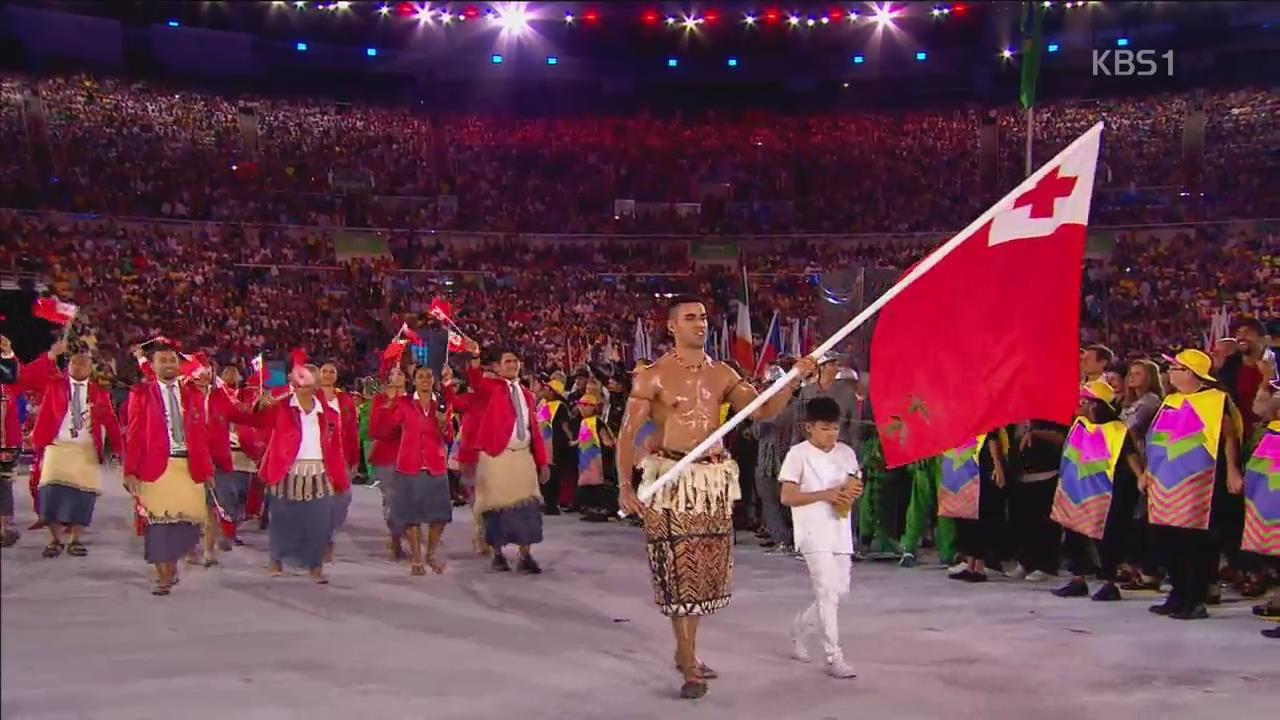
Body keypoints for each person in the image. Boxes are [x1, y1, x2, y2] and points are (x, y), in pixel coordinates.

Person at [616, 294, 817, 700]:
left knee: (702, 577)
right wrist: (624, 485)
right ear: (671, 326)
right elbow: (626, 433)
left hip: (710, 484)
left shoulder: (722, 373)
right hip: (671, 484)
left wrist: (793, 378)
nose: (700, 324)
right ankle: (689, 664)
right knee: (677, 577)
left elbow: (760, 410)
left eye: (704, 318)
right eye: (690, 318)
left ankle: (686, 649)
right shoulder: (651, 377)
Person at [1144, 349, 1244, 620]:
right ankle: (1177, 593)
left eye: (1175, 368)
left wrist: (1232, 470)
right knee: (1167, 539)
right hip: (1165, 482)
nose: (1169, 373)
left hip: (1200, 481)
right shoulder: (1171, 400)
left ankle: (1195, 598)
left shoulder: (1215, 400)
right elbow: (1159, 441)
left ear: (1190, 373)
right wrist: (1147, 472)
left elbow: (1230, 436)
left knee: (1194, 541)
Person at [779, 397, 864, 679]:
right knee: (827, 592)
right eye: (825, 428)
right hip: (812, 532)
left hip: (840, 529)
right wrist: (824, 495)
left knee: (839, 592)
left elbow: (855, 482)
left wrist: (852, 492)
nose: (832, 435)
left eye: (836, 429)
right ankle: (833, 656)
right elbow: (787, 496)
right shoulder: (797, 455)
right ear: (809, 428)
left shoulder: (847, 453)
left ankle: (800, 627)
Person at [123, 343, 216, 596]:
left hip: (189, 466)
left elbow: (201, 436)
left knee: (184, 524)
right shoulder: (141, 394)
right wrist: (129, 471)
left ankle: (172, 565)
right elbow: (133, 435)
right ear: (152, 366)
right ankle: (162, 576)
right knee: (158, 524)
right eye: (162, 360)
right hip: (155, 468)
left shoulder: (194, 395)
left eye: (172, 360)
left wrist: (208, 471)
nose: (169, 364)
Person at [246, 364, 350, 584]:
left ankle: (315, 565)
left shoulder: (329, 414)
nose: (305, 388)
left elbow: (335, 447)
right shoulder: (280, 407)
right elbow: (256, 421)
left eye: (310, 384)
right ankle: (276, 559)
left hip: (318, 471)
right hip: (287, 470)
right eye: (300, 383)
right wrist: (259, 405)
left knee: (319, 522)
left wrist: (340, 478)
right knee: (282, 519)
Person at [25, 339, 123, 559]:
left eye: (83, 364)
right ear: (68, 366)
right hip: (56, 446)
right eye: (74, 364)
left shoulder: (99, 393)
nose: (78, 367)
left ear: (90, 369)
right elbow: (29, 378)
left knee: (83, 495)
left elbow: (111, 421)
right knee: (49, 492)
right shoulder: (54, 385)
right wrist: (51, 354)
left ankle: (75, 539)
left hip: (85, 448)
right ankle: (54, 540)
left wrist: (119, 448)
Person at [460, 341, 550, 574]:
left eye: (514, 361)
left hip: (523, 456)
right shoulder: (491, 388)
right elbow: (475, 380)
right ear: (498, 368)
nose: (512, 365)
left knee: (528, 507)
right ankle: (497, 554)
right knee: (495, 507)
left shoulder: (528, 395)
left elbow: (534, 430)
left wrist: (542, 461)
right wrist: (475, 358)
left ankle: (525, 554)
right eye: (507, 361)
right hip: (496, 456)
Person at [1050, 381, 1145, 601]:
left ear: (1094, 404)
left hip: (1108, 490)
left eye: (1082, 400)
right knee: (1073, 533)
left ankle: (1109, 582)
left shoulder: (1117, 430)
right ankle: (1078, 579)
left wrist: (1141, 477)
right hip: (1076, 490)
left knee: (1108, 536)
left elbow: (1130, 456)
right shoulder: (1079, 425)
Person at [370, 365, 453, 576]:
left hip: (435, 465)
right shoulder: (404, 403)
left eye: (429, 376)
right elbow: (384, 431)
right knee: (411, 516)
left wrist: (444, 425)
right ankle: (416, 558)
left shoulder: (441, 405)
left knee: (440, 516)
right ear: (413, 381)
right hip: (409, 465)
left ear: (434, 380)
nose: (425, 380)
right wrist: (387, 406)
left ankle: (431, 553)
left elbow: (449, 437)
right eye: (421, 376)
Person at [943, 430, 1009, 583]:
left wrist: (997, 466)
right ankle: (970, 565)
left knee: (981, 516)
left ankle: (979, 567)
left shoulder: (985, 414)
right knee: (966, 518)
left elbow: (992, 438)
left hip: (982, 468)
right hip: (965, 467)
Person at [1008, 417, 1068, 582]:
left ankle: (1046, 565)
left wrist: (1036, 434)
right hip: (1020, 474)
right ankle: (1025, 561)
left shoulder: (1050, 412)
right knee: (1022, 522)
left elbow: (1062, 437)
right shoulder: (1016, 414)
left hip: (1046, 473)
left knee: (1044, 524)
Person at [317, 362, 359, 562]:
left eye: (331, 371)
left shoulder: (345, 400)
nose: (327, 374)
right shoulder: (312, 397)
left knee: (342, 498)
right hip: (316, 455)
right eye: (324, 371)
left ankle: (329, 533)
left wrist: (353, 458)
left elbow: (351, 430)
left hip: (340, 455)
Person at [368, 365, 407, 559]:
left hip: (410, 457)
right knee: (391, 500)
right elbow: (375, 430)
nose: (396, 376)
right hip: (385, 457)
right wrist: (391, 408)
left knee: (409, 501)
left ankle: (402, 534)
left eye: (399, 373)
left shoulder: (413, 400)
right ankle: (395, 537)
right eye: (393, 373)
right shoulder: (379, 401)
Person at [574, 394, 615, 522]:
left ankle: (601, 511)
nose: (581, 407)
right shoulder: (584, 422)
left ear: (593, 407)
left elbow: (607, 440)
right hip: (585, 460)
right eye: (580, 405)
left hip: (596, 459)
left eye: (585, 405)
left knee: (596, 487)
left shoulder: (596, 421)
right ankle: (592, 510)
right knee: (586, 488)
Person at [535, 378, 574, 516]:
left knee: (553, 472)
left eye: (547, 388)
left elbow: (565, 426)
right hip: (544, 444)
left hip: (556, 443)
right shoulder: (543, 405)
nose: (544, 390)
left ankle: (552, 504)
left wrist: (571, 439)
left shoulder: (560, 406)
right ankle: (546, 501)